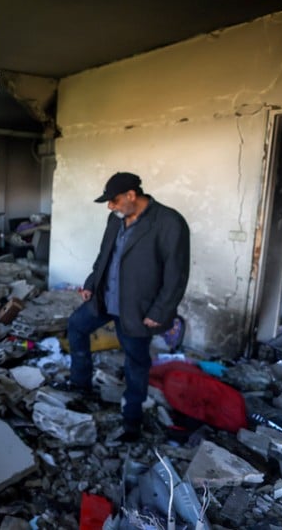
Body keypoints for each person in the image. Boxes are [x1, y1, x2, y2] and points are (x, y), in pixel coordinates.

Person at [60, 172, 190, 442]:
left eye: (114, 200)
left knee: (136, 362)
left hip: (137, 308)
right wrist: (91, 283)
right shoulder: (115, 220)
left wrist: (161, 311)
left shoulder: (168, 222)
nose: (111, 207)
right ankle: (80, 384)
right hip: (105, 298)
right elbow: (104, 255)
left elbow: (176, 274)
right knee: (76, 326)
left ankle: (132, 420)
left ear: (132, 195)